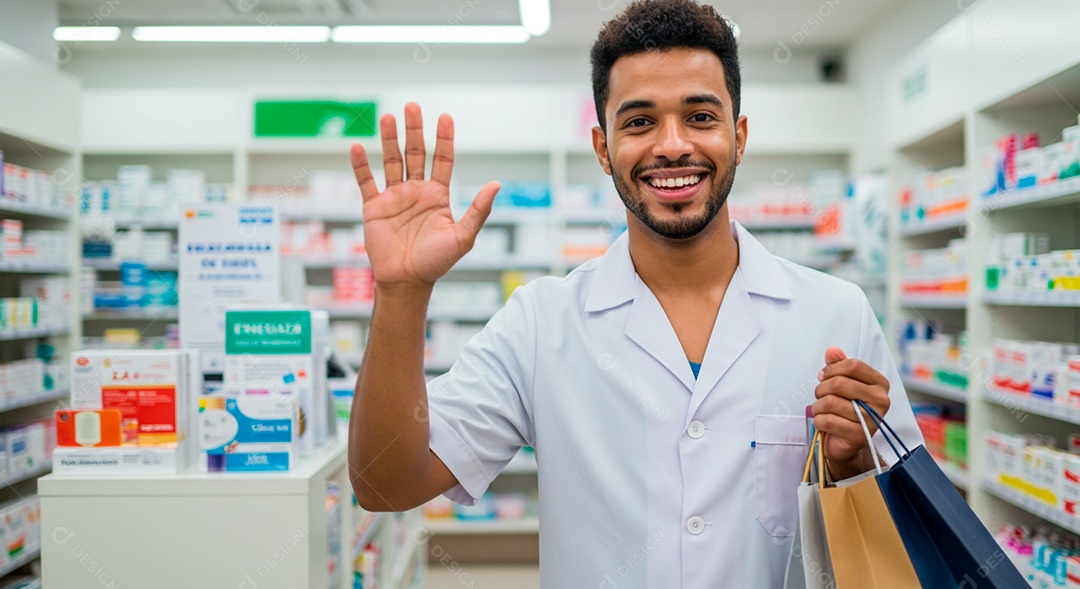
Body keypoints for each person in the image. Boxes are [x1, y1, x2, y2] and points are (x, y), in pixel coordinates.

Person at [348, 0, 922, 586]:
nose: (672, 146)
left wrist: (855, 466)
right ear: (603, 149)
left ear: (739, 136)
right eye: (639, 121)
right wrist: (401, 292)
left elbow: (912, 538)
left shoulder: (836, 316)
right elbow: (383, 483)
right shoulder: (542, 324)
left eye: (700, 116)